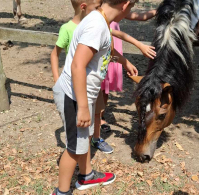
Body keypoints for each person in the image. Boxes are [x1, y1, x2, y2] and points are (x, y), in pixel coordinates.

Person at [50, 0, 138, 194]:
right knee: (74, 148)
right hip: (74, 96)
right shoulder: (97, 25)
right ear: (125, 4)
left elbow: (102, 51)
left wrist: (123, 61)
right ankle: (61, 192)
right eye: (131, 7)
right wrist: (82, 106)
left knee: (85, 137)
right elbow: (77, 65)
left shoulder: (100, 19)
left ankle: (87, 176)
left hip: (82, 95)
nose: (130, 12)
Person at [50, 0, 156, 154]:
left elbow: (117, 35)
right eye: (97, 4)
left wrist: (125, 60)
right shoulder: (87, 26)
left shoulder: (99, 22)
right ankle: (81, 169)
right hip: (76, 88)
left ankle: (92, 151)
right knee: (76, 143)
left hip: (93, 84)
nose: (99, 8)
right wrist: (57, 79)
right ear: (85, 6)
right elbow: (73, 63)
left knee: (97, 114)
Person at [98, 9, 157, 136]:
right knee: (98, 84)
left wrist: (159, 10)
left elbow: (141, 16)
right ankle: (92, 115)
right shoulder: (99, 12)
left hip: (113, 47)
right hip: (104, 46)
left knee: (105, 87)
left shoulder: (117, 9)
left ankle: (100, 117)